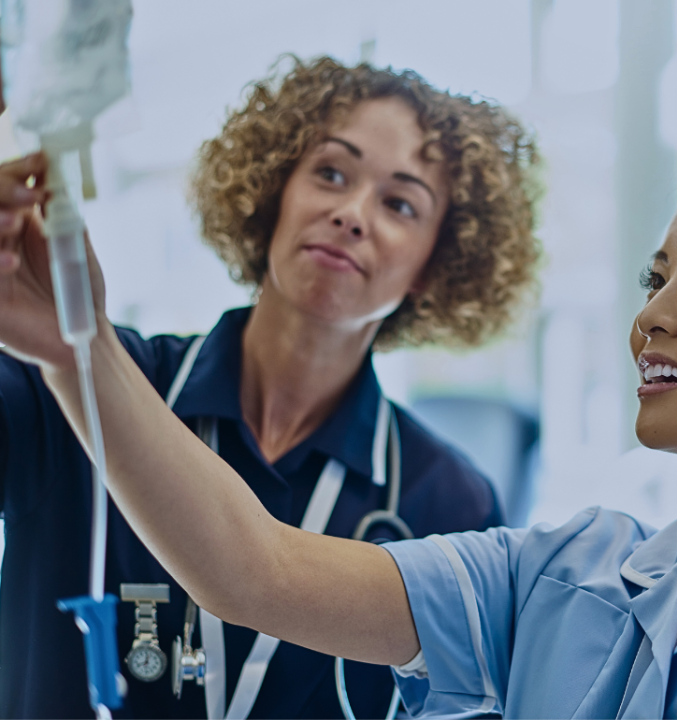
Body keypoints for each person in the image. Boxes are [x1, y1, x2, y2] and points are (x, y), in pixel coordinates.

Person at [3, 143, 677, 719]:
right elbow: (251, 573)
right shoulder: (555, 579)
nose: (650, 315)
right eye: (652, 277)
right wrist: (73, 350)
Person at [0, 57, 539, 719]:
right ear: (274, 192)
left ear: (437, 263)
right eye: (331, 174)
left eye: (400, 204)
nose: (351, 213)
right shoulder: (73, 382)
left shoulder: (447, 500)